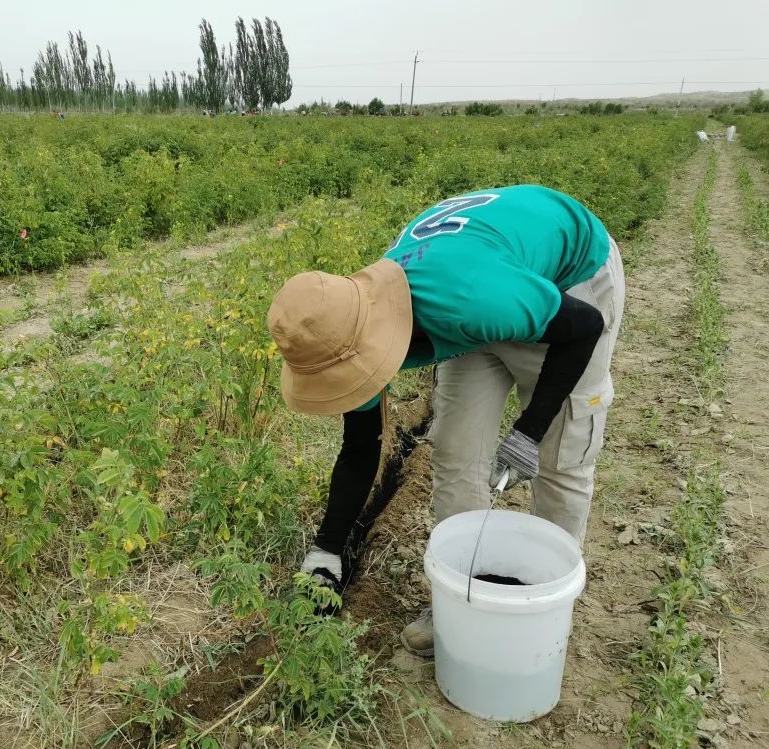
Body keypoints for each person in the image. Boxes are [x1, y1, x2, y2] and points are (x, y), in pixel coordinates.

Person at [266, 184, 624, 656]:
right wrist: (327, 548)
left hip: (568, 286)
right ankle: (463, 600)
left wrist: (529, 431)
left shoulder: (469, 299)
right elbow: (361, 444)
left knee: (561, 459)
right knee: (456, 459)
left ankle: (542, 612)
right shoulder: (348, 326)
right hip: (487, 286)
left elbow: (583, 328)